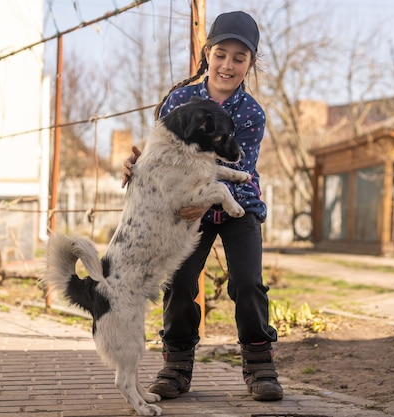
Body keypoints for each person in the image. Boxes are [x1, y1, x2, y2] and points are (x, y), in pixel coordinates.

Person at [121, 11, 283, 402]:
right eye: (221, 54)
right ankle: (176, 363)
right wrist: (137, 164)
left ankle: (260, 364)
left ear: (251, 63)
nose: (228, 65)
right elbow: (162, 153)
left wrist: (195, 189)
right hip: (183, 206)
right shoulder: (178, 100)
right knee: (178, 282)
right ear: (207, 52)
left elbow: (235, 166)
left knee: (247, 283)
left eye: (239, 58)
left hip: (234, 203)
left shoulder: (251, 114)